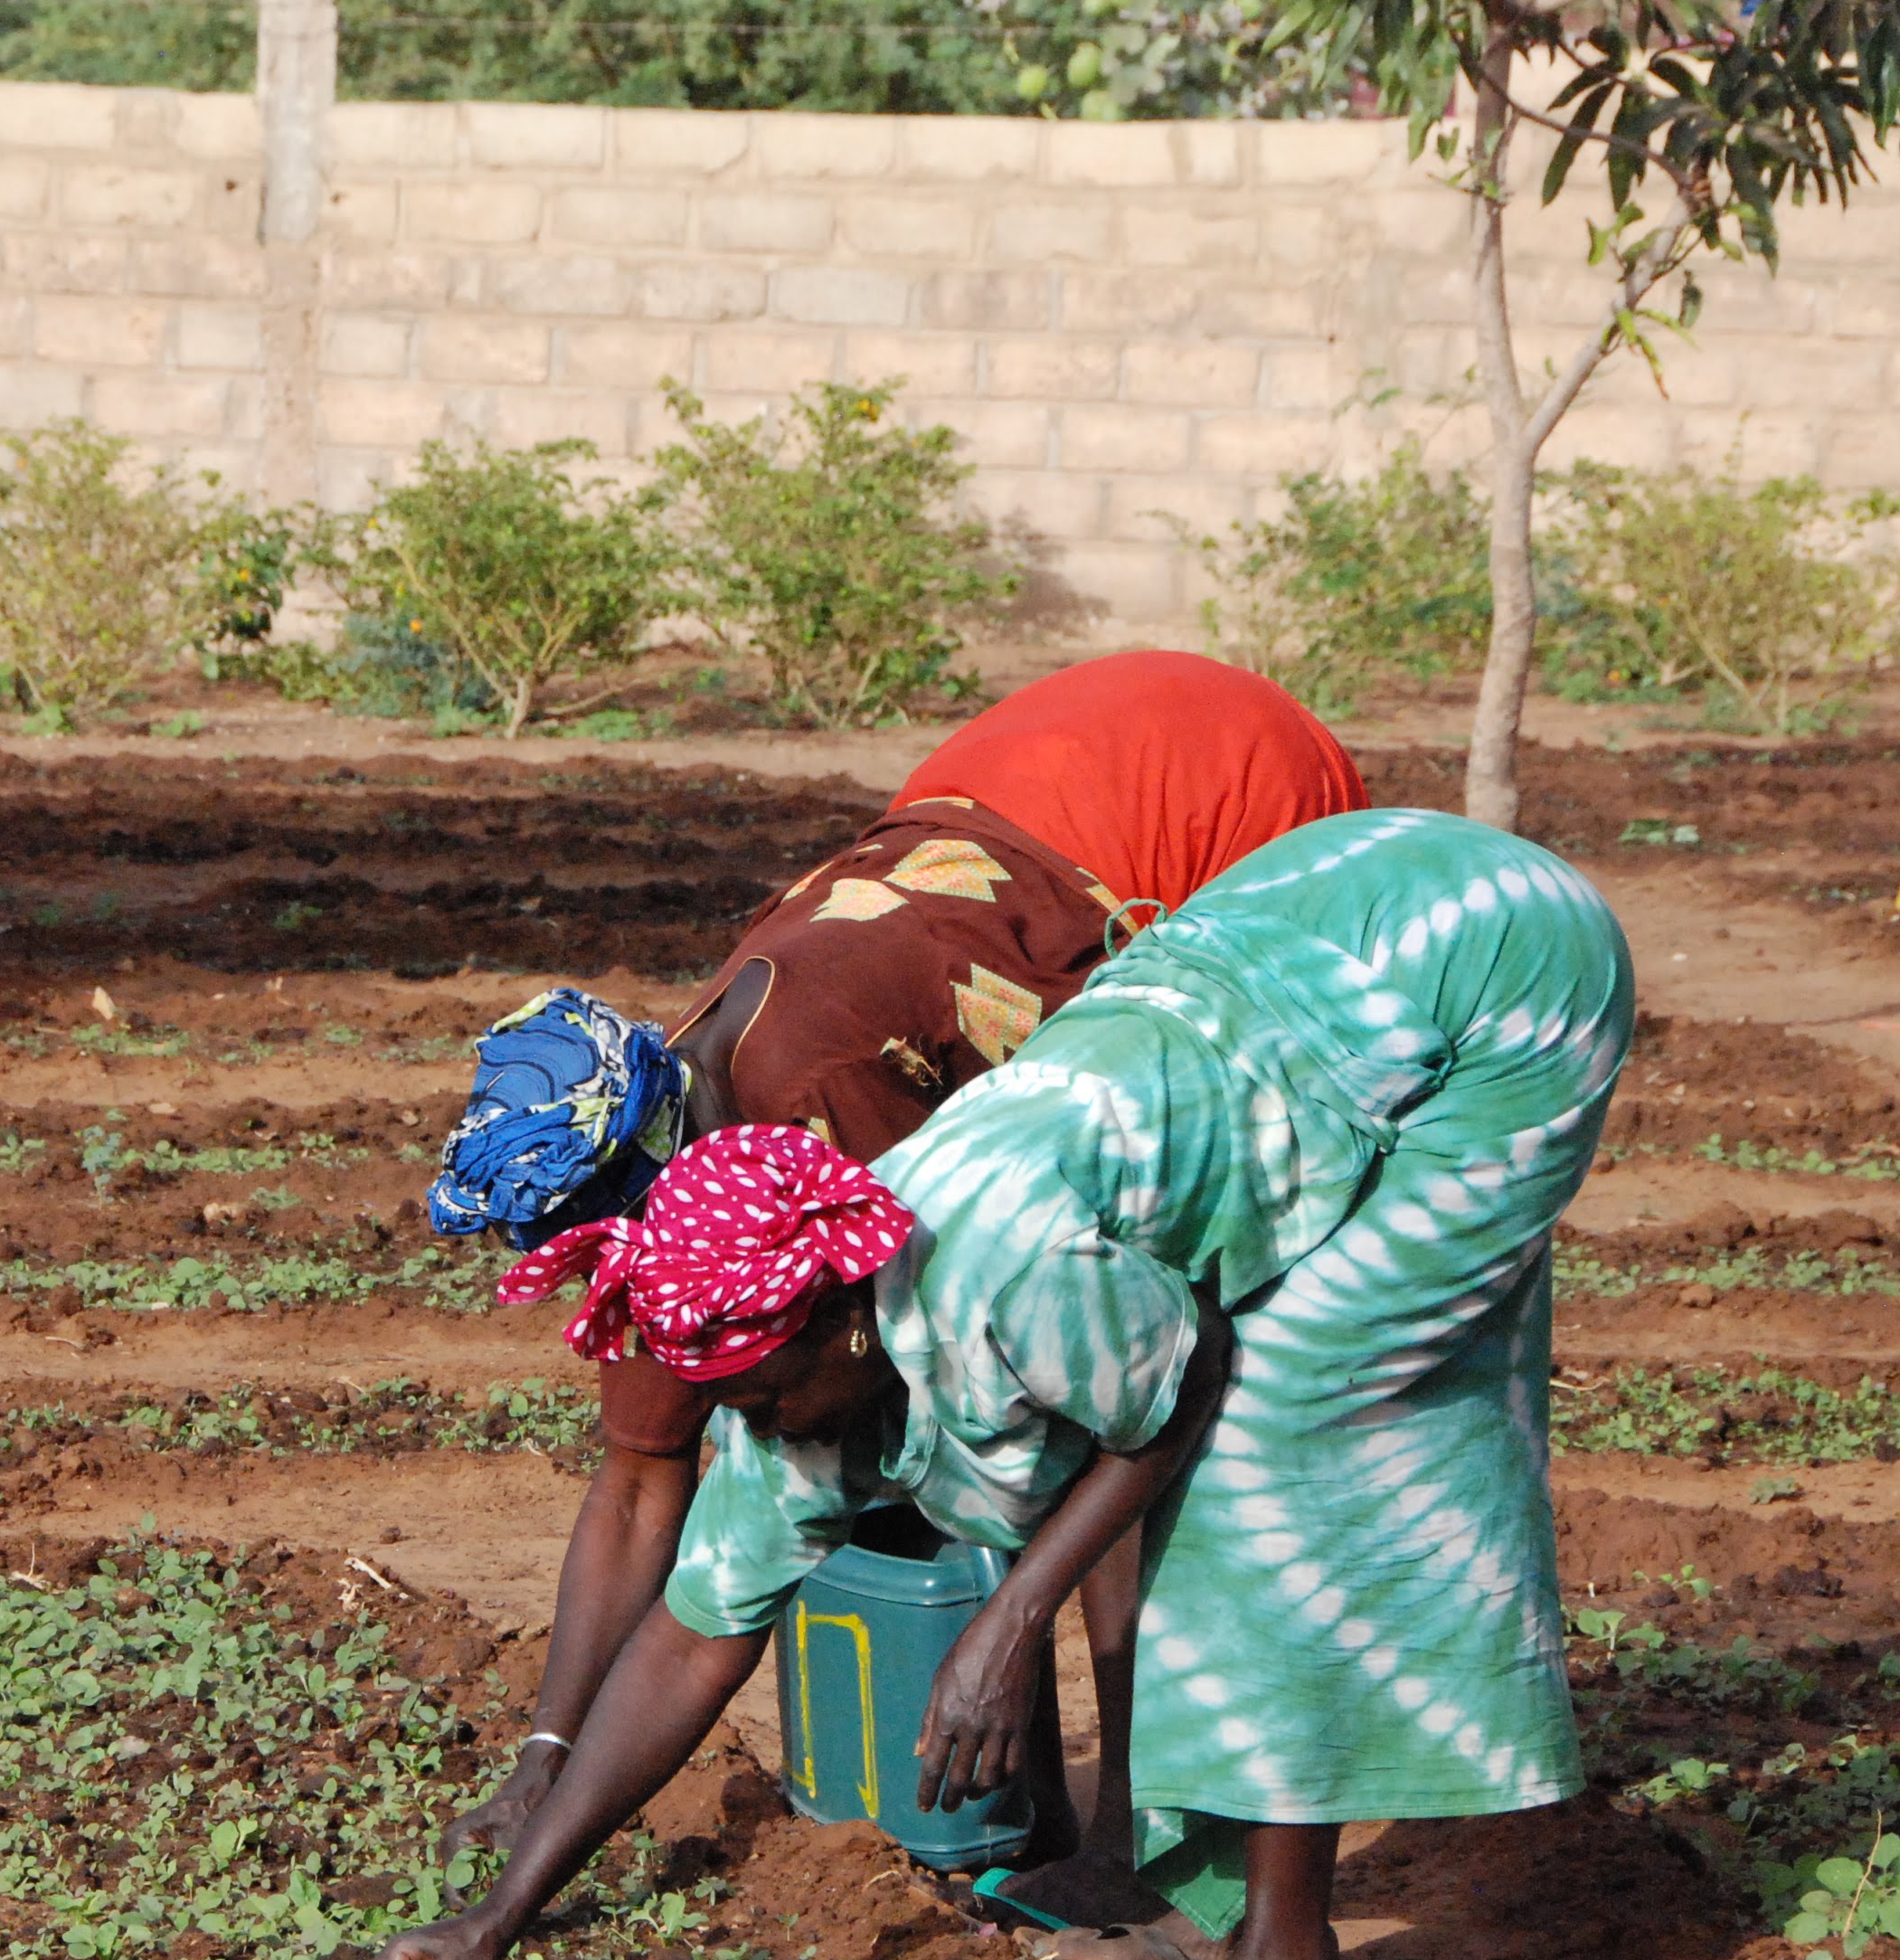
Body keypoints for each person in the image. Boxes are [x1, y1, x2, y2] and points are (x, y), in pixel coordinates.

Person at [362, 807, 1635, 1960]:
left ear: (845, 1316)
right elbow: (691, 1643)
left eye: (758, 1396)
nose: (748, 1430)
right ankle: (1209, 1907)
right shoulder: (791, 1369)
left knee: (1277, 1431)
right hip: (1294, 949)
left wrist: (1011, 1620)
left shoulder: (999, 1259)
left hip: (1486, 961)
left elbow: (1189, 1378)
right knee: (1205, 1432)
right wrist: (495, 1921)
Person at [428, 653, 1368, 1877]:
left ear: (669, 1162)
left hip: (1186, 794)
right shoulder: (677, 1209)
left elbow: (1091, 1385)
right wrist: (545, 1757)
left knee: (1120, 1379)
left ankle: (1141, 1839)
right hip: (1011, 782)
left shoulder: (826, 1097)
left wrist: (1006, 1627)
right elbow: (641, 1479)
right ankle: (1058, 1824)